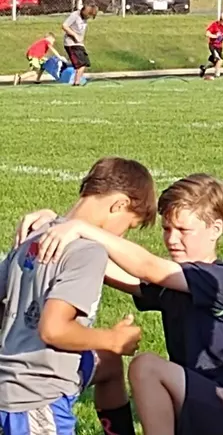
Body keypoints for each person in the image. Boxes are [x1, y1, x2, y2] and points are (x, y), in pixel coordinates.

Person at [30, 175, 223, 435]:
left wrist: (82, 227)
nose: (171, 239)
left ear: (215, 229)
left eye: (183, 230)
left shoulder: (218, 279)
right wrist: (54, 226)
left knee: (145, 366)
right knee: (121, 362)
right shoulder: (176, 284)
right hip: (199, 403)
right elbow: (111, 271)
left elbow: (148, 268)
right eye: (167, 228)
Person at [0, 157, 157, 435]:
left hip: (8, 378)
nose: (123, 237)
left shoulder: (33, 234)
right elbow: (54, 330)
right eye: (128, 226)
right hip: (36, 397)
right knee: (109, 349)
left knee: (106, 362)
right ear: (118, 204)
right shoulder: (88, 252)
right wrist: (114, 339)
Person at [62, 3, 97, 86]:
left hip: (79, 44)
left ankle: (77, 81)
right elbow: (64, 26)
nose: (89, 18)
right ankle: (76, 83)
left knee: (85, 63)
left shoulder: (84, 19)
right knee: (81, 64)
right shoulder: (75, 15)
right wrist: (74, 35)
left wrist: (81, 43)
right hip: (71, 43)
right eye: (89, 15)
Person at [200, 11, 223, 79]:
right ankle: (217, 74)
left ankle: (204, 68)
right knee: (219, 60)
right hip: (213, 45)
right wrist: (215, 36)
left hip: (219, 47)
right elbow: (207, 33)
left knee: (214, 62)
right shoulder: (215, 25)